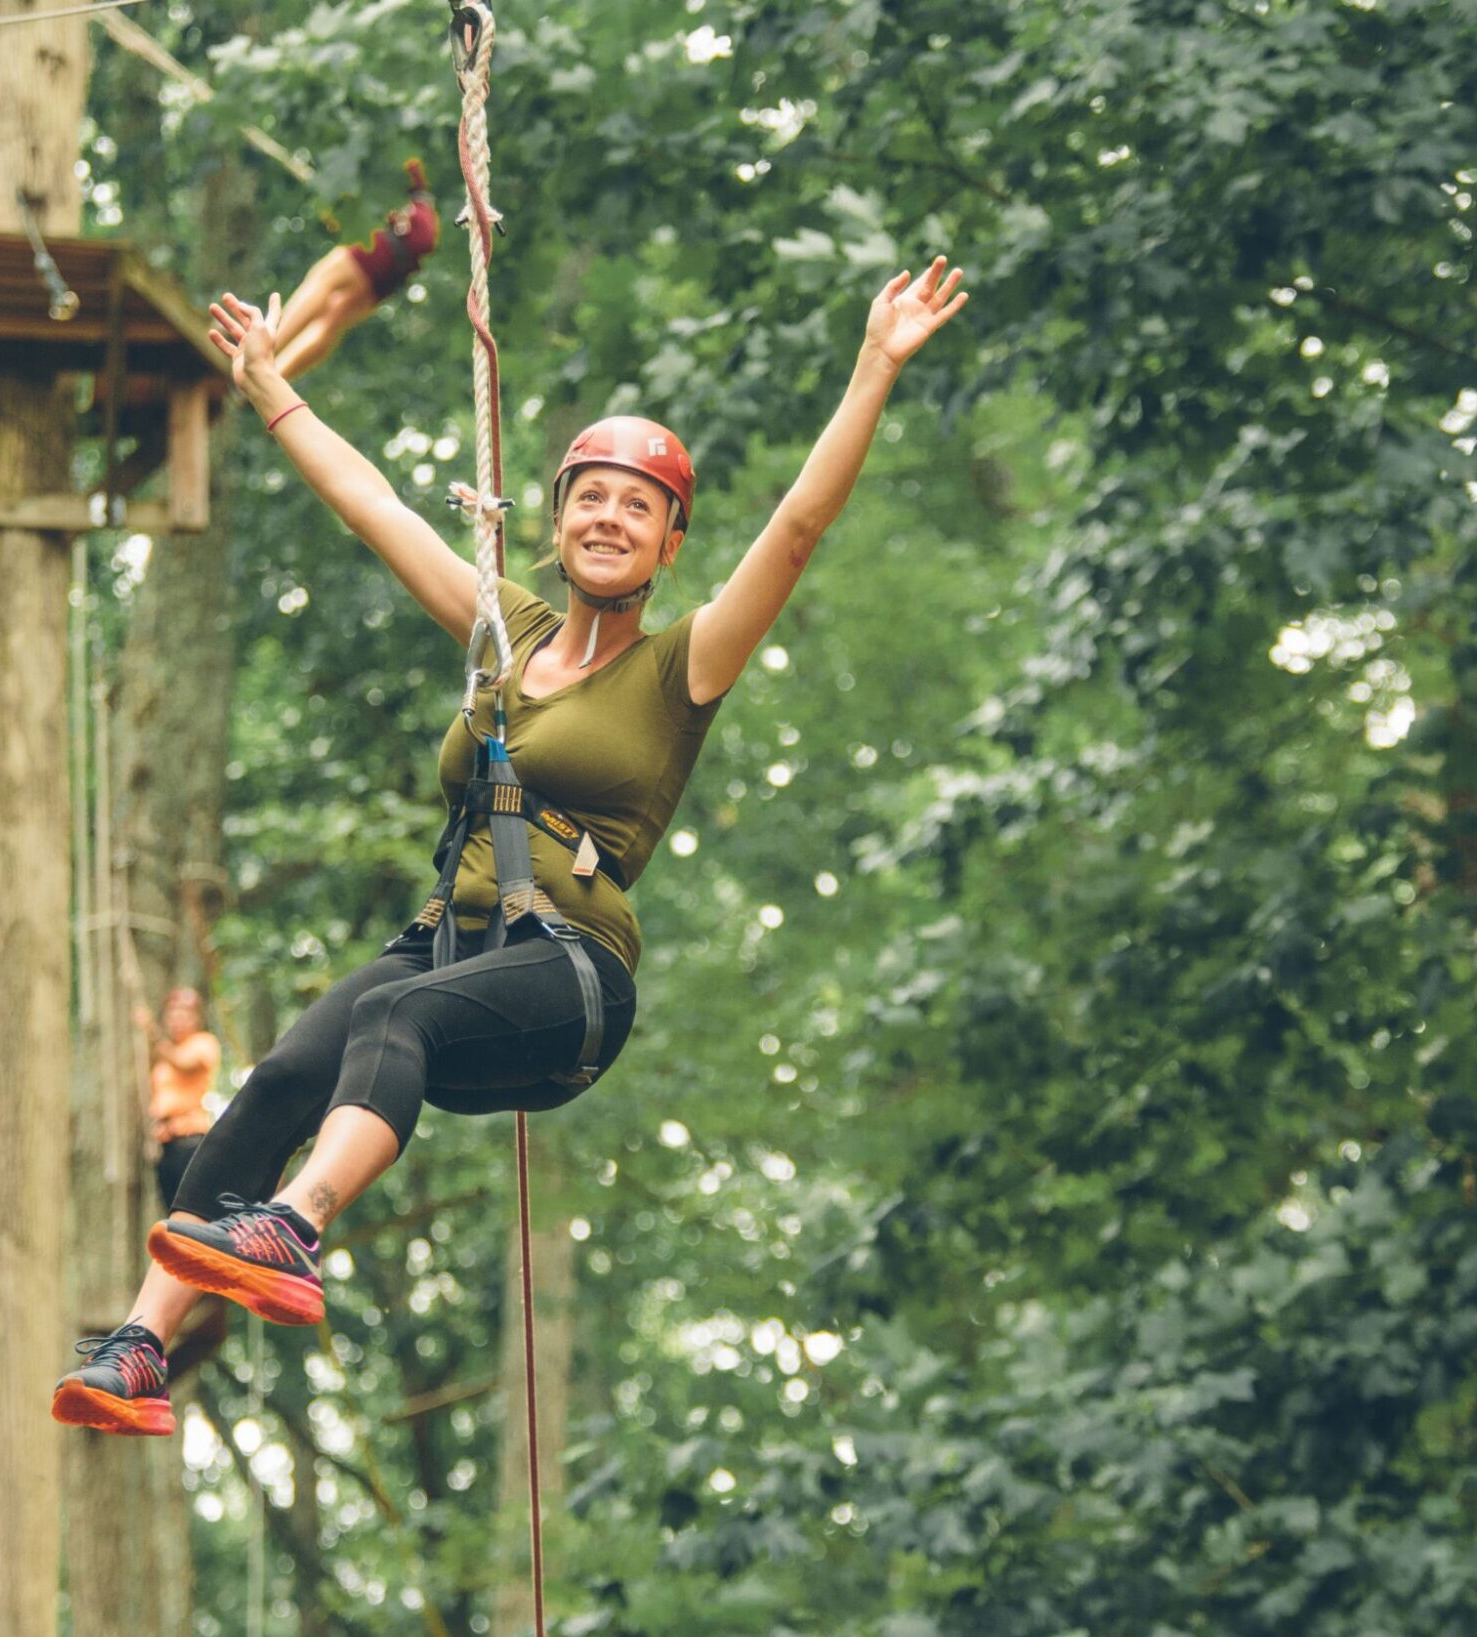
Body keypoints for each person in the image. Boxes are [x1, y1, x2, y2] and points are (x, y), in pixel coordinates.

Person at [52, 255, 968, 1438]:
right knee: (281, 1075)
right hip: (449, 940)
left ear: (669, 545)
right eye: (590, 495)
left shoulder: (679, 666)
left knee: (393, 1023)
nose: (608, 517)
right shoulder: (505, 632)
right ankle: (140, 1348)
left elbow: (797, 527)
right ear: (555, 520)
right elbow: (375, 508)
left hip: (568, 969)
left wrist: (872, 367)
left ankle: (298, 1222)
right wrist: (274, 388)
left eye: (638, 506)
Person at [270, 159, 439, 382]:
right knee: (333, 317)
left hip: (387, 242)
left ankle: (265, 348)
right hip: (395, 273)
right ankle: (273, 377)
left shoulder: (387, 150)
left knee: (322, 280)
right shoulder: (423, 208)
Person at [138, 987, 221, 1210]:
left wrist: (151, 1031)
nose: (177, 1021)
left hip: (190, 1142)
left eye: (184, 1015)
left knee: (191, 1209)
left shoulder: (203, 1043)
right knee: (171, 1209)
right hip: (167, 1143)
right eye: (172, 1015)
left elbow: (184, 1063)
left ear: (197, 1019)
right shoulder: (163, 1059)